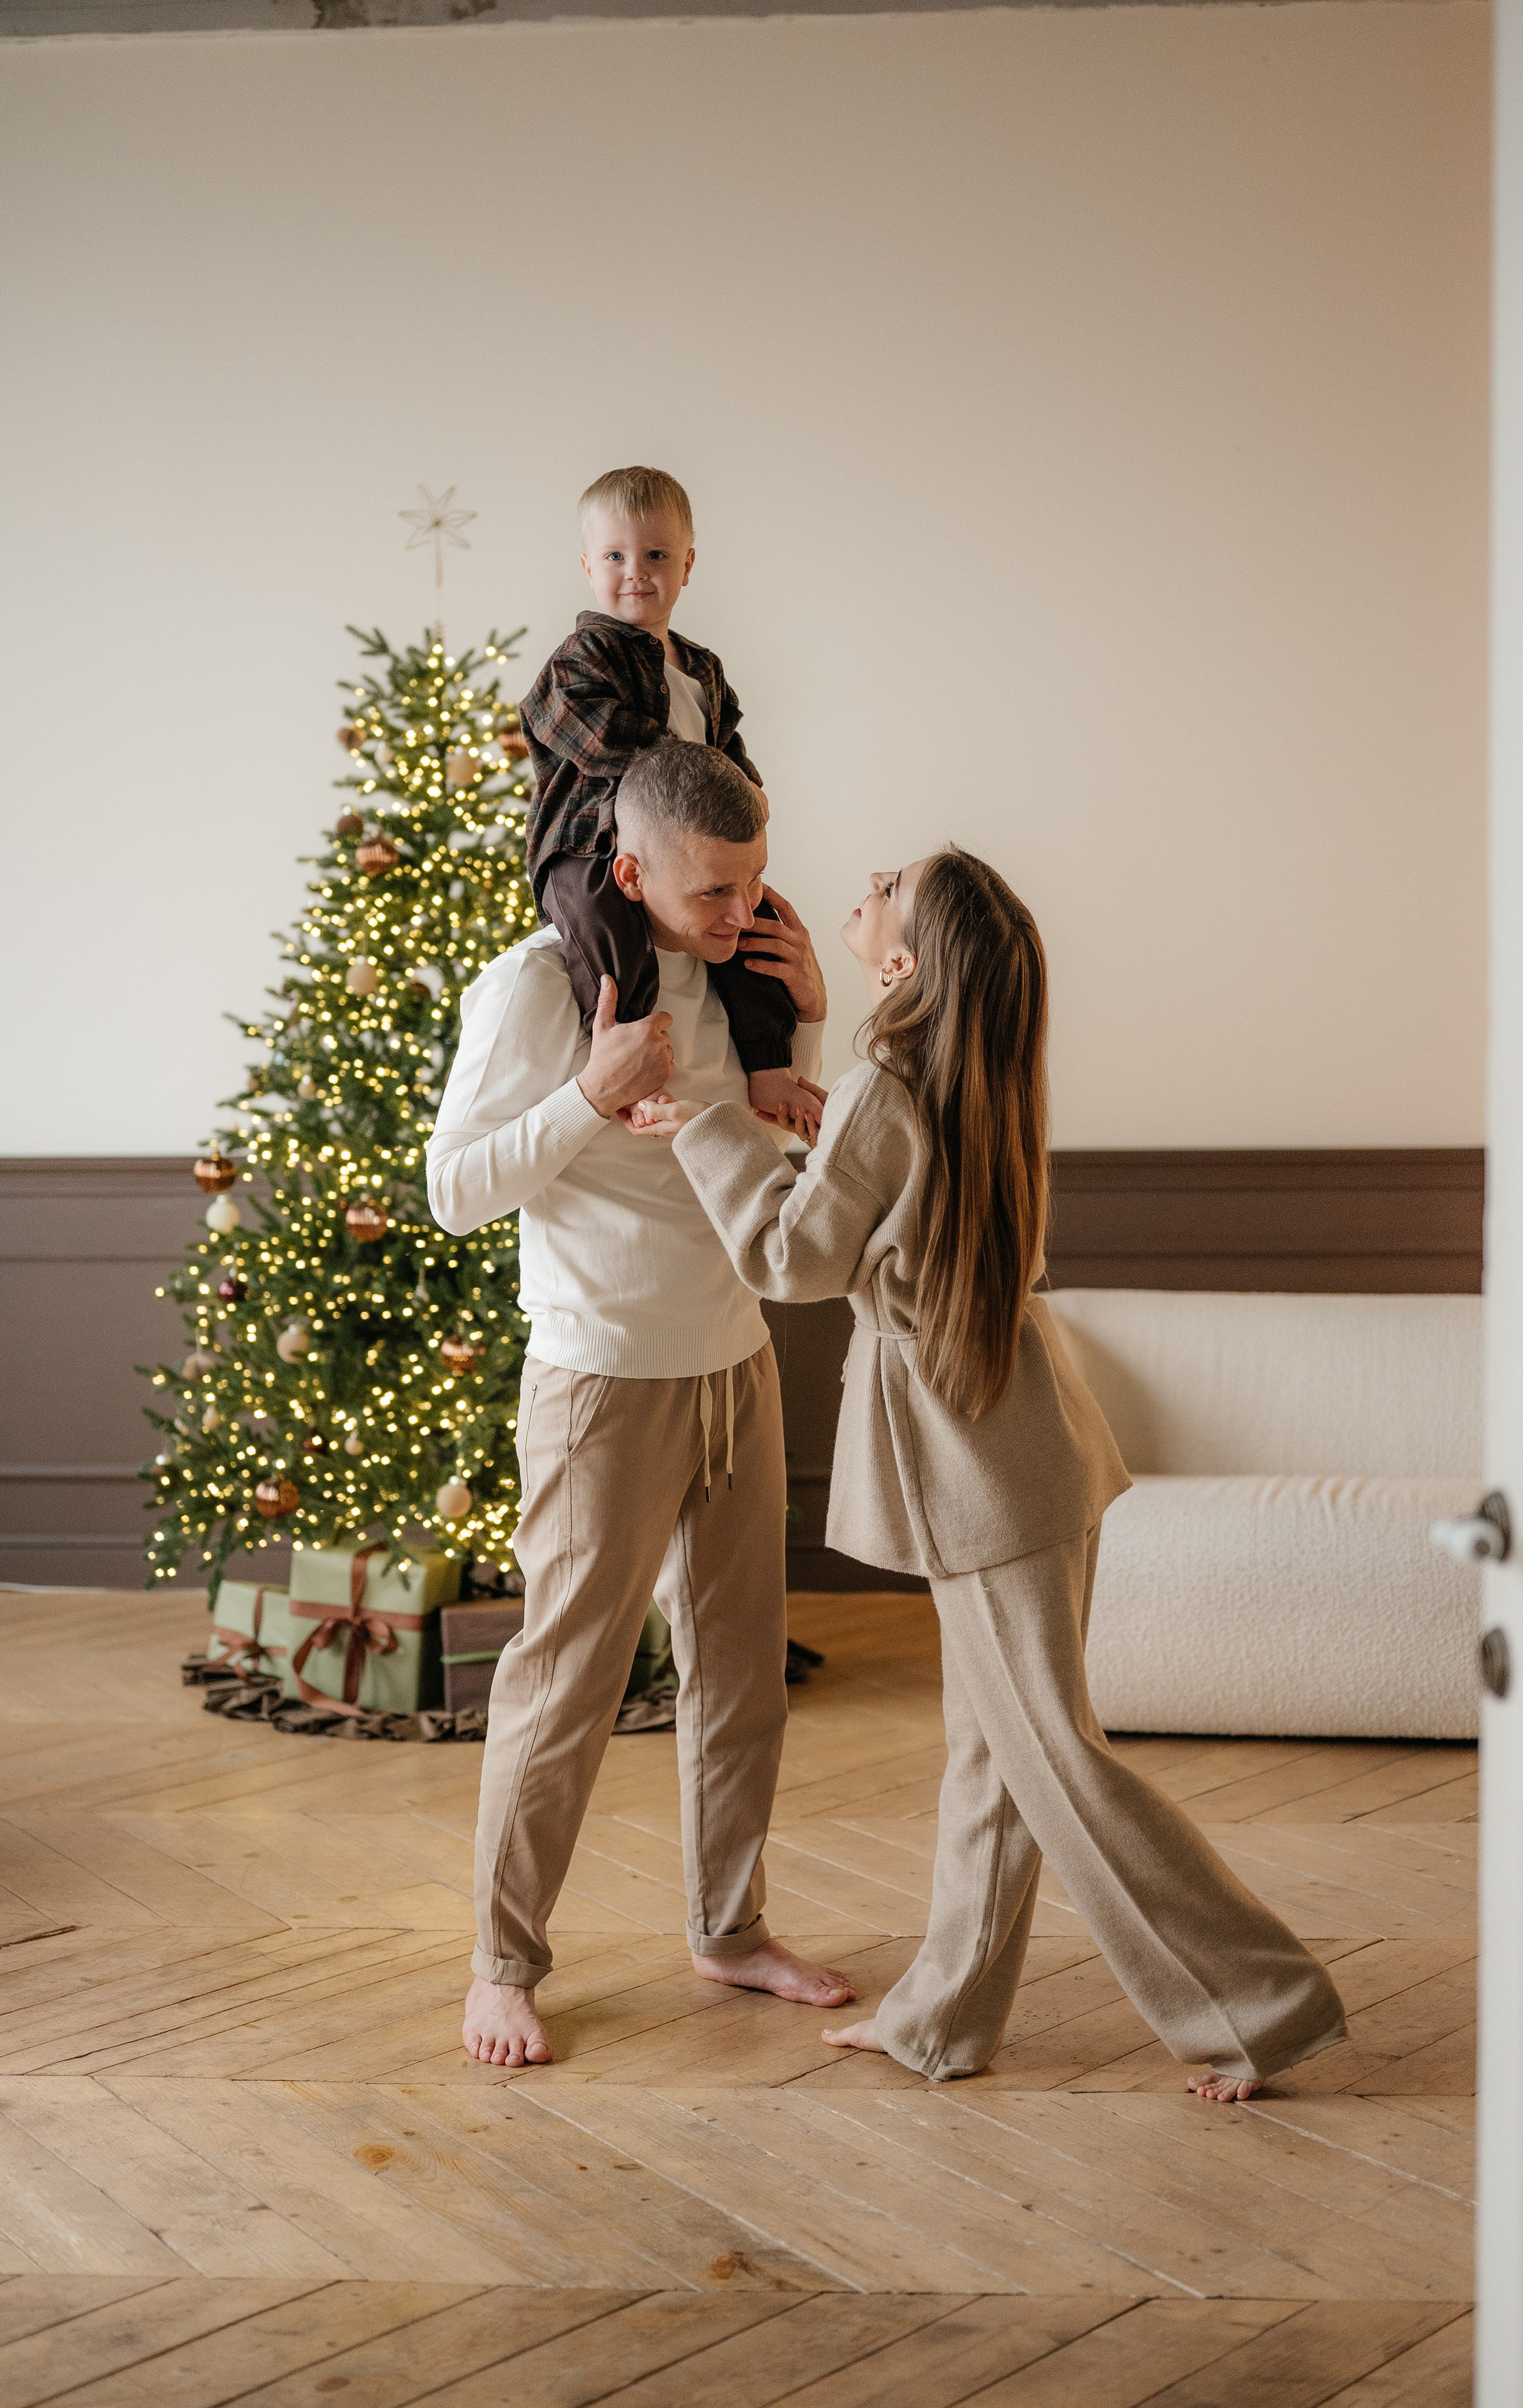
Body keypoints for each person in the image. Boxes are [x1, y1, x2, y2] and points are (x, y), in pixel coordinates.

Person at [627, 848, 1349, 2096]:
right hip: (1022, 1446)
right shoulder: (957, 1076)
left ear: (903, 963)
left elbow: (796, 1261)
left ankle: (1257, 2005)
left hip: (979, 1464)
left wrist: (707, 1134)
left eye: (892, 883)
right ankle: (941, 2018)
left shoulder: (887, 1082)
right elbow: (873, 1213)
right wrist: (793, 1124)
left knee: (1051, 1753)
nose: (867, 877)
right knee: (992, 1752)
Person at [427, 739, 854, 2069]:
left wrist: (812, 1035)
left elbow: (750, 1154)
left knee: (741, 1680)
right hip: (598, 1380)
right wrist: (580, 1098)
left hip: (734, 1359)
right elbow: (454, 1188)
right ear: (629, 870)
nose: (743, 915)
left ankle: (727, 1928)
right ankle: (503, 1965)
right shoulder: (533, 986)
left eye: (756, 885)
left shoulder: (749, 986)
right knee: (563, 1684)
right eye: (716, 892)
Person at [521, 463, 824, 1145]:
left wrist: (743, 780)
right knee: (608, 932)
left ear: (687, 564)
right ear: (587, 565)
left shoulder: (701, 668)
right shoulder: (581, 659)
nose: (636, 571)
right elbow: (591, 735)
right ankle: (627, 1061)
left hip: (692, 857)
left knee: (755, 921)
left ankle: (770, 1067)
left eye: (657, 555)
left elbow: (728, 739)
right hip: (594, 847)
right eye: (615, 556)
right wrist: (707, 771)